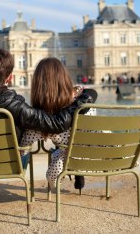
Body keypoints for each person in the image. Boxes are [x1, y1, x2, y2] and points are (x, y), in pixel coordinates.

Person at [0, 49, 95, 199]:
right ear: (10, 78)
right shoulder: (14, 104)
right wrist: (83, 99)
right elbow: (55, 124)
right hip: (9, 163)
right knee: (22, 143)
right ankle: (59, 154)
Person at [20, 57, 97, 193]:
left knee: (57, 162)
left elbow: (24, 146)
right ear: (65, 77)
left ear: (38, 85)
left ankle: (68, 161)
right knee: (71, 141)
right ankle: (76, 168)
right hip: (99, 156)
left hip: (68, 158)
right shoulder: (86, 102)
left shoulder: (42, 117)